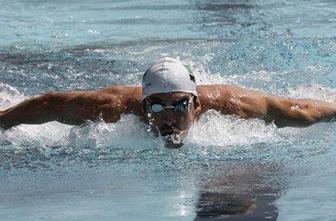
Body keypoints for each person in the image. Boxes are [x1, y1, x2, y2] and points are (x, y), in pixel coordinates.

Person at [0, 57, 335, 147]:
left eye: (179, 105)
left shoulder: (230, 105)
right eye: (156, 107)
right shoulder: (112, 107)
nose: (167, 117)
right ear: (144, 106)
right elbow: (48, 105)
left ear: (197, 105)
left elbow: (296, 111)